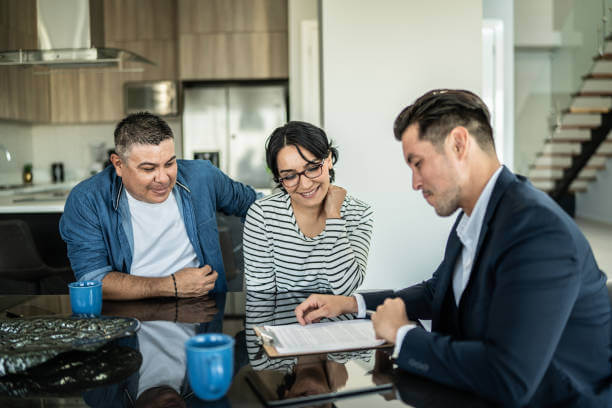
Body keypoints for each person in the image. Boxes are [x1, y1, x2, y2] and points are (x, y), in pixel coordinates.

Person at [294, 90, 612, 407]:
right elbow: (438, 292)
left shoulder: (538, 230)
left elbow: (509, 377)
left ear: (459, 144)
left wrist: (403, 336)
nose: (415, 183)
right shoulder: (473, 216)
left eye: (418, 163)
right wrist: (351, 303)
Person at [60, 112, 258, 299]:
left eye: (169, 164)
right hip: (128, 312)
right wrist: (171, 285)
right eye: (149, 169)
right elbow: (93, 280)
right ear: (119, 164)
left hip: (204, 305)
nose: (163, 178)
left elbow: (257, 206)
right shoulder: (87, 200)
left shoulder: (202, 176)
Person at [243, 121, 373, 294]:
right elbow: (261, 296)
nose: (305, 184)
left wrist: (333, 215)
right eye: (289, 176)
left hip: (339, 314)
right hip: (281, 314)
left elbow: (345, 287)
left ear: (328, 160)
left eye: (312, 168)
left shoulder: (358, 213)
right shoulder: (262, 216)